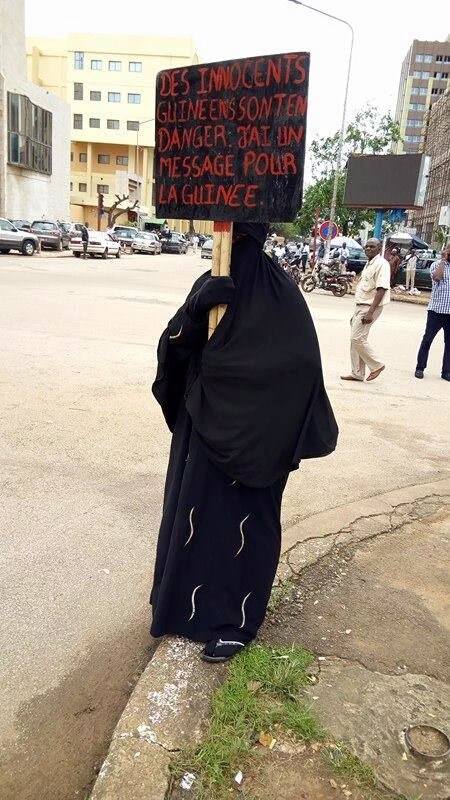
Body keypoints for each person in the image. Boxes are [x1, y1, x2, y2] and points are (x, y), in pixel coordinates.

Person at [150, 223, 338, 663]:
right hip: (202, 435)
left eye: (237, 240)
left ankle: (235, 622)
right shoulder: (211, 281)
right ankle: (182, 609)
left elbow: (301, 369)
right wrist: (197, 312)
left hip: (257, 446)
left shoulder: (282, 297)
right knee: (194, 520)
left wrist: (234, 379)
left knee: (242, 532)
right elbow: (174, 348)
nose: (232, 249)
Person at [340, 238, 390, 383]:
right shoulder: (369, 264)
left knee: (357, 338)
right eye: (366, 246)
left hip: (369, 307)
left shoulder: (382, 264)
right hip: (360, 305)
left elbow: (381, 289)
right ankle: (357, 373)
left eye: (372, 247)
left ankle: (377, 365)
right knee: (355, 340)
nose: (368, 249)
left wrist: (370, 312)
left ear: (379, 248)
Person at [415, 244, 450, 381]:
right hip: (436, 310)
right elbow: (436, 278)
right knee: (427, 340)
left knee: (449, 343)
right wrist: (443, 259)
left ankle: (446, 372)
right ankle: (420, 368)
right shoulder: (436, 265)